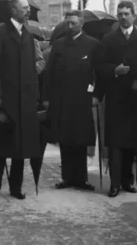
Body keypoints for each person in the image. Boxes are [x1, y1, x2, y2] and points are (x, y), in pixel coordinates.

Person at [94, 0, 137, 198]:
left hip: (135, 99)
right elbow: (100, 66)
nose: (122, 17)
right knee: (115, 144)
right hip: (115, 98)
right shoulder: (109, 39)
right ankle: (114, 184)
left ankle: (127, 181)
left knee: (131, 142)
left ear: (134, 15)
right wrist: (114, 70)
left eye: (126, 13)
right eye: (119, 13)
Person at [0, 0, 42, 203]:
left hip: (25, 101)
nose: (27, 12)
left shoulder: (28, 35)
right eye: (24, 9)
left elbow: (31, 69)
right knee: (0, 149)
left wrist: (35, 96)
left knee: (20, 149)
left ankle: (15, 188)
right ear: (14, 11)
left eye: (28, 8)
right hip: (5, 100)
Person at [43, 10, 100, 191]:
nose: (70, 26)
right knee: (65, 139)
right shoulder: (59, 45)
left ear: (81, 23)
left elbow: (97, 73)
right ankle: (67, 177)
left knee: (81, 139)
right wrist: (47, 97)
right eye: (67, 23)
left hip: (83, 100)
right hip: (63, 99)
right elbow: (50, 72)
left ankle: (81, 178)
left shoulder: (92, 45)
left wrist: (96, 94)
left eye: (73, 23)